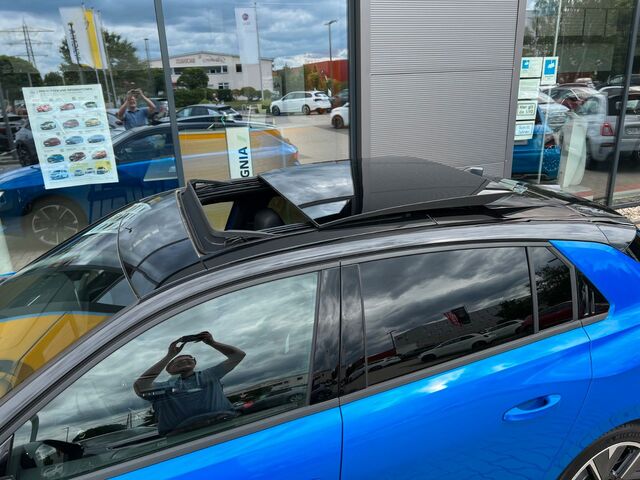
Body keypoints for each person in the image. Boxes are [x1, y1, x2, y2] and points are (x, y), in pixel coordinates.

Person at [133, 331, 246, 435]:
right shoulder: (163, 387)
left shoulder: (210, 374)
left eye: (188, 358)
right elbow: (140, 386)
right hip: (181, 438)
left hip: (226, 427)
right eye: (176, 360)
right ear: (168, 369)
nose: (183, 359)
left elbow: (238, 355)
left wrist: (212, 343)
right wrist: (169, 356)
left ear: (194, 363)